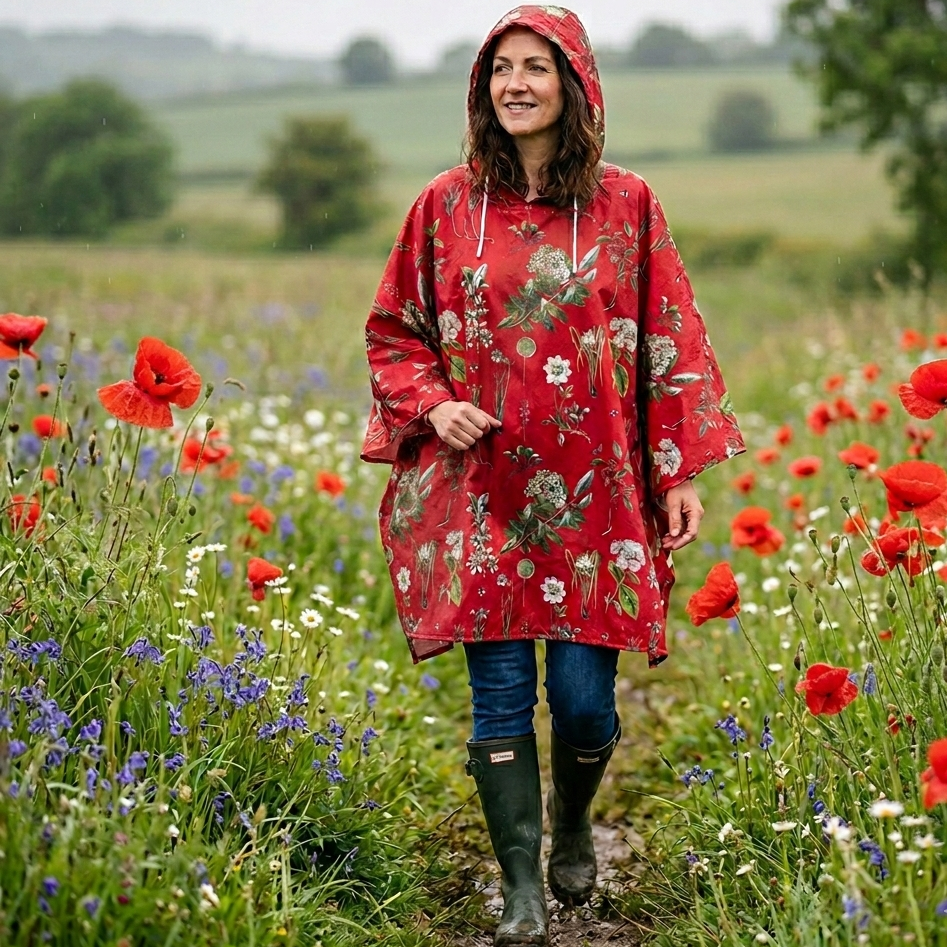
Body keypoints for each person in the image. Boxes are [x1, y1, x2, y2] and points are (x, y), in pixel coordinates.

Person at [360, 6, 745, 944]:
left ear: (574, 83)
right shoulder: (444, 205)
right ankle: (521, 887)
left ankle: (573, 820)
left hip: (597, 495)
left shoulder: (628, 205)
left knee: (580, 700)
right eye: (501, 69)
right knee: (497, 698)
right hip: (479, 489)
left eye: (537, 67)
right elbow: (394, 331)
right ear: (482, 89)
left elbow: (669, 340)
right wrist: (430, 404)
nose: (516, 84)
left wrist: (678, 470)